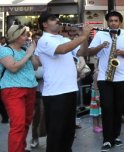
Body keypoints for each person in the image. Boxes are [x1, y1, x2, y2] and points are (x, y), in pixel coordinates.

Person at [35, 12, 93, 152]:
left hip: (69, 90)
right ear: (44, 24)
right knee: (56, 133)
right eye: (53, 19)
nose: (57, 21)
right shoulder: (44, 40)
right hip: (55, 93)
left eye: (57, 18)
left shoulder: (63, 38)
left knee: (68, 132)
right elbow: (61, 50)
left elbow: (82, 53)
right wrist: (83, 36)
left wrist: (83, 37)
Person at [83, 11, 124, 152]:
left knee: (118, 108)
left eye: (116, 20)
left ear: (120, 22)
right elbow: (89, 52)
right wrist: (101, 46)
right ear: (107, 22)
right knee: (107, 108)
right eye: (111, 20)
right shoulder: (101, 34)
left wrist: (120, 52)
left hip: (122, 77)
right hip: (104, 78)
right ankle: (107, 139)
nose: (113, 23)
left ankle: (116, 136)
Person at [0, 24, 38, 152]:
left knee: (26, 123)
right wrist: (27, 55)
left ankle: (20, 148)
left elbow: (36, 66)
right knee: (18, 125)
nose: (27, 37)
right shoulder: (5, 50)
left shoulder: (24, 50)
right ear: (15, 36)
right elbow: (13, 67)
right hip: (12, 89)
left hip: (30, 88)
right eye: (24, 34)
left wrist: (31, 53)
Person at [90, 68, 102, 133]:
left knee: (99, 111)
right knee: (95, 111)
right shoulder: (97, 73)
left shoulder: (101, 72)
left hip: (99, 93)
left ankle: (100, 125)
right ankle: (95, 126)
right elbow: (95, 85)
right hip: (96, 94)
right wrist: (97, 96)